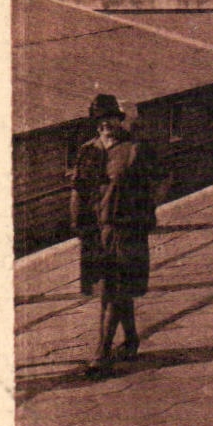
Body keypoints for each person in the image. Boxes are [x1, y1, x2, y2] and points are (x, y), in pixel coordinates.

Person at [70, 95, 165, 378]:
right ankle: (132, 338)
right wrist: (76, 222)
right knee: (112, 286)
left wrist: (147, 207)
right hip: (94, 230)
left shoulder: (136, 149)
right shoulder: (88, 150)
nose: (105, 125)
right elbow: (78, 188)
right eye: (100, 120)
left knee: (112, 288)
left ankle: (102, 351)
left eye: (110, 118)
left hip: (126, 228)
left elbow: (162, 180)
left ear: (119, 120)